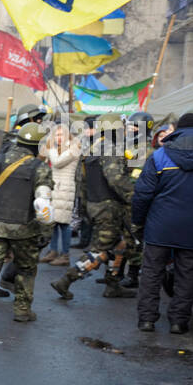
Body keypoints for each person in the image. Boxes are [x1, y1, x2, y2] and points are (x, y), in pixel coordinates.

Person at [131, 112, 193, 335]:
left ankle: (146, 319)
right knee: (188, 275)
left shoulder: (159, 156)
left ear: (177, 129)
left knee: (151, 273)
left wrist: (137, 222)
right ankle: (179, 321)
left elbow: (142, 194)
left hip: (159, 225)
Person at [0, 121, 53, 326]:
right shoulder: (39, 168)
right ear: (39, 145)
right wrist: (46, 232)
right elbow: (43, 204)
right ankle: (22, 310)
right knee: (26, 269)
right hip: (25, 229)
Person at [52, 113, 135, 302]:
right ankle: (66, 279)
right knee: (101, 250)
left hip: (94, 205)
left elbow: (80, 182)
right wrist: (135, 196)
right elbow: (116, 179)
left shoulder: (91, 150)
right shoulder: (111, 149)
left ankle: (112, 284)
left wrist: (84, 209)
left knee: (120, 246)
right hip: (109, 207)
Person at [39, 117, 79, 267]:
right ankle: (53, 251)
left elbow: (57, 161)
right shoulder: (56, 148)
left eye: (61, 135)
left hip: (64, 188)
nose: (58, 138)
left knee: (64, 223)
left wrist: (50, 148)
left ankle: (65, 255)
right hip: (55, 187)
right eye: (56, 135)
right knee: (54, 222)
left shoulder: (74, 148)